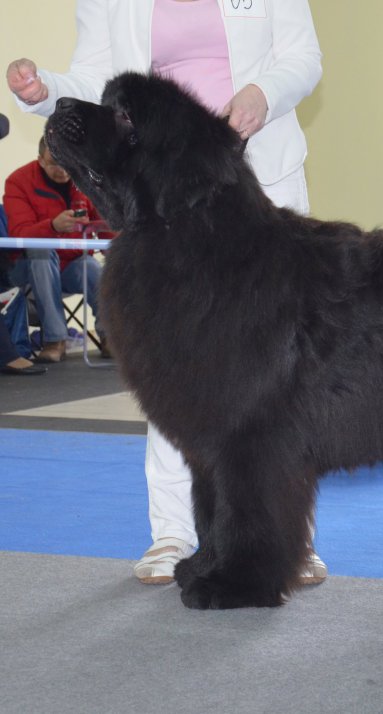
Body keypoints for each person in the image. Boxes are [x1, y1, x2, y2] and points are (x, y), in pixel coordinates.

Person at [7, 0, 327, 585]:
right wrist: (45, 90)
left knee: (278, 382)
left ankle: (287, 539)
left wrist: (263, 92)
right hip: (159, 199)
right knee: (170, 369)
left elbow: (304, 58)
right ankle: (173, 532)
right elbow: (95, 81)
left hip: (258, 183)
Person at [3, 137, 105, 363]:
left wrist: (124, 257)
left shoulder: (87, 180)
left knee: (92, 267)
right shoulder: (18, 182)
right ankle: (55, 339)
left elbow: (106, 226)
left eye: (69, 161)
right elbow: (20, 236)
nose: (63, 169)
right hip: (26, 267)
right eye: (54, 162)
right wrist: (52, 226)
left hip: (71, 264)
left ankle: (112, 336)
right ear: (40, 160)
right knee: (42, 251)